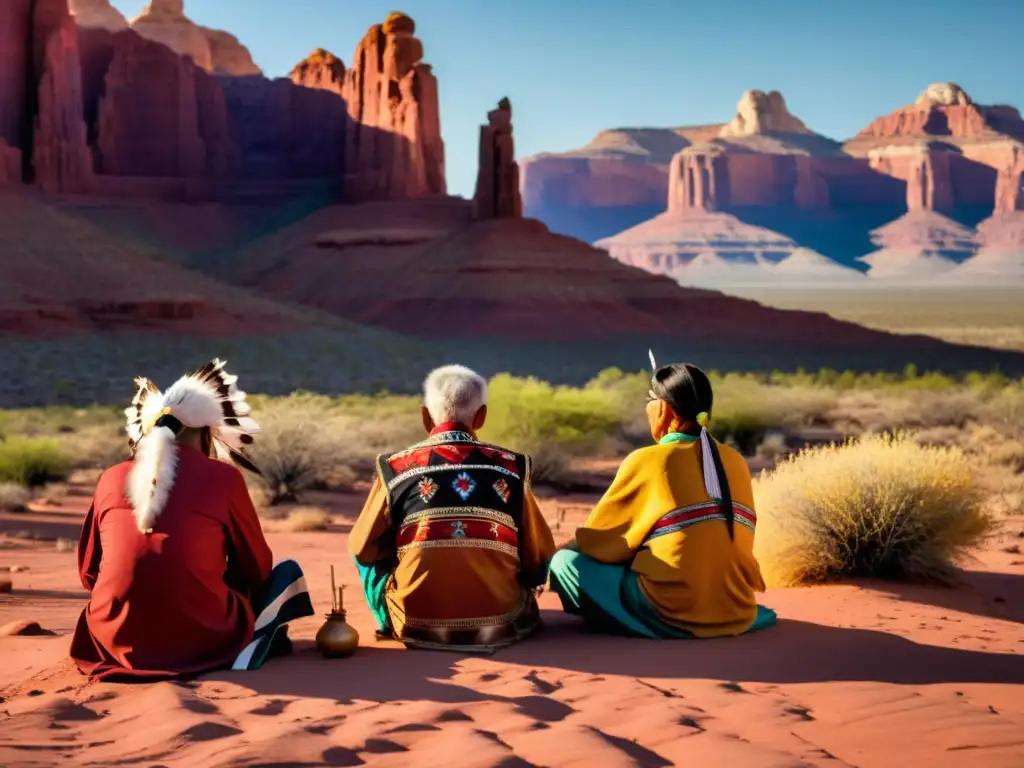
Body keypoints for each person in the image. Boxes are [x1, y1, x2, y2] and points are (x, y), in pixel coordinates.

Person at [70, 359, 314, 681]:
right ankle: (254, 642)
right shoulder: (222, 478)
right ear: (201, 431)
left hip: (112, 640)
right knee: (287, 574)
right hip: (203, 640)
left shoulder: (110, 478)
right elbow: (257, 568)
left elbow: (89, 574)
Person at [548, 360, 776, 638]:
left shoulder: (649, 460)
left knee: (564, 564)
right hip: (734, 605)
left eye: (650, 400)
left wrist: (555, 553)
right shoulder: (735, 460)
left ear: (663, 409)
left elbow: (598, 543)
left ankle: (638, 621)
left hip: (673, 608)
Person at [350, 364, 556, 652]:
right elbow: (538, 557)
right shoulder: (512, 466)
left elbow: (362, 549)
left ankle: (389, 621)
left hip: (415, 622)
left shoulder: (395, 468)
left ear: (424, 415)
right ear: (481, 416)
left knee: (363, 550)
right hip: (500, 620)